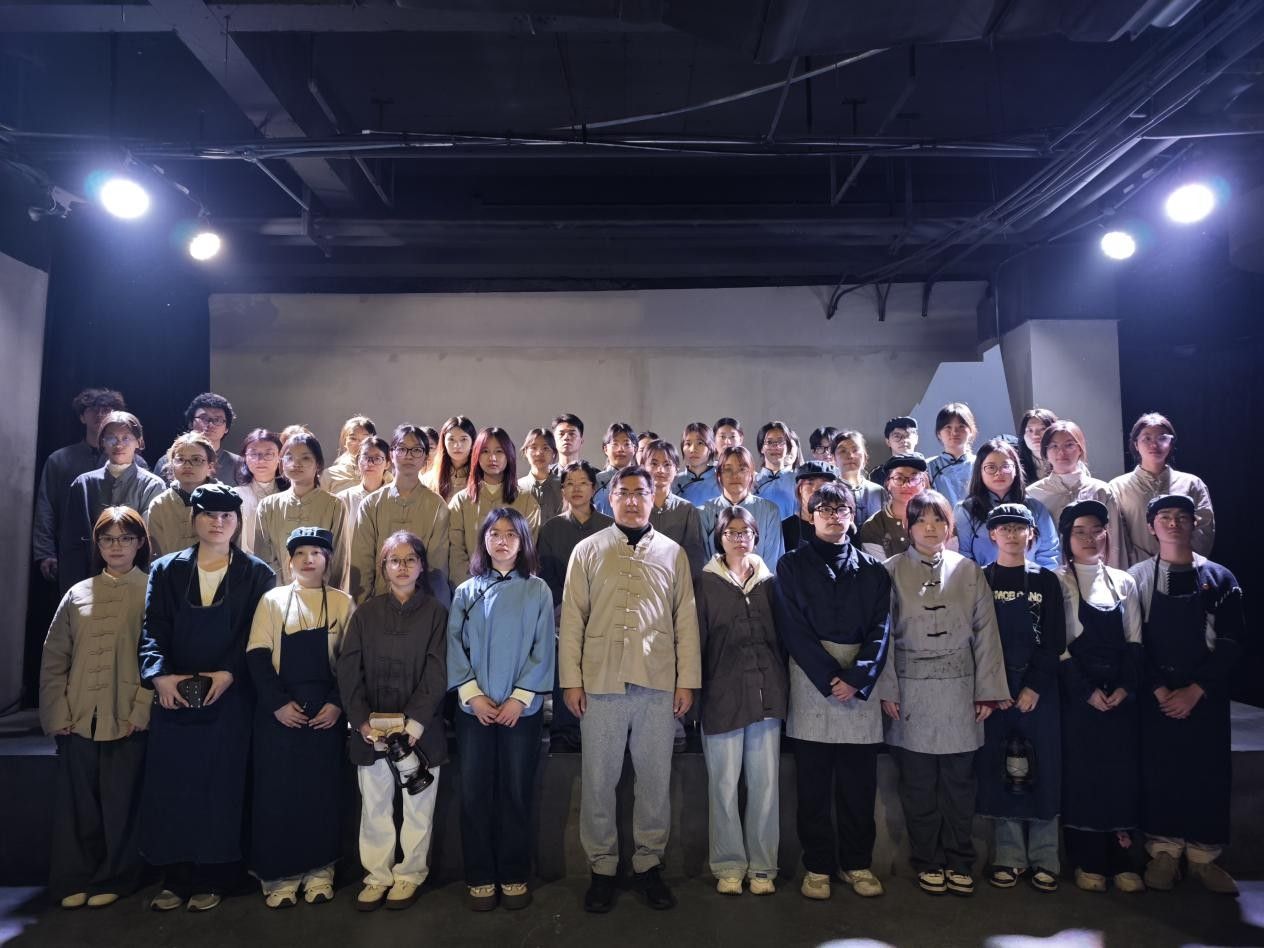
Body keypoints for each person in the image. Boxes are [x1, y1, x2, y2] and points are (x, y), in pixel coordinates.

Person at [559, 466, 701, 913]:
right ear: (611, 497)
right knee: (599, 780)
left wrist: (686, 680)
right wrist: (571, 681)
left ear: (654, 497)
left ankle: (648, 865)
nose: (634, 500)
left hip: (657, 684)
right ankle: (602, 868)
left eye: (642, 492)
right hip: (600, 684)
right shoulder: (587, 550)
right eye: (625, 492)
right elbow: (572, 619)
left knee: (654, 780)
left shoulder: (673, 553)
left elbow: (685, 620)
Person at [137, 484, 276, 911]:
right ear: (193, 519)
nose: (218, 523)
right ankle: (176, 877)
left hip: (231, 696)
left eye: (227, 516)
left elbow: (256, 634)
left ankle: (217, 876)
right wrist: (160, 677)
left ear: (238, 521)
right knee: (173, 785)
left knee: (223, 786)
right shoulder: (166, 570)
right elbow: (152, 629)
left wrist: (229, 672)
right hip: (174, 694)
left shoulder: (257, 573)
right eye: (209, 515)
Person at [881, 489, 1009, 896]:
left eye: (939, 520)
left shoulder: (969, 571)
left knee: (959, 782)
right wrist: (887, 689)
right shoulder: (889, 571)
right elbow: (881, 638)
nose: (930, 528)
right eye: (921, 520)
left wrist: (987, 691)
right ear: (908, 527)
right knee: (917, 783)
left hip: (960, 688)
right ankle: (927, 860)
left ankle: (960, 859)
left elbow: (986, 634)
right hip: (910, 689)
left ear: (951, 525)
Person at [774, 483, 892, 901]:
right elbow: (792, 628)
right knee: (813, 786)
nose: (832, 515)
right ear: (809, 516)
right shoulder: (790, 565)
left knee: (859, 784)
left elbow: (882, 629)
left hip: (860, 684)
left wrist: (858, 676)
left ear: (852, 515)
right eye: (823, 508)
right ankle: (818, 866)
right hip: (812, 680)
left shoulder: (874, 570)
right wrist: (828, 677)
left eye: (841, 508)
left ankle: (857, 863)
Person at [1130, 494, 1243, 895]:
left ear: (1195, 524)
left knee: (1207, 773)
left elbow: (1231, 642)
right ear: (1151, 526)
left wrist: (1197, 689)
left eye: (1182, 516)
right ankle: (1164, 852)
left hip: (1205, 696)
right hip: (1156, 696)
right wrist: (1160, 689)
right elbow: (1134, 642)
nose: (1174, 523)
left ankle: (1203, 857)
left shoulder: (1221, 578)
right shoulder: (1137, 579)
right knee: (1160, 771)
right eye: (1165, 517)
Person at [40, 506, 152, 909]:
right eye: (107, 539)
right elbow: (55, 658)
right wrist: (57, 713)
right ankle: (74, 877)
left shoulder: (152, 590)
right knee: (77, 804)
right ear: (98, 545)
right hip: (77, 714)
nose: (116, 546)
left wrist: (141, 710)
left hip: (126, 714)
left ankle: (116, 877)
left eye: (125, 538)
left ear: (139, 543)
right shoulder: (77, 594)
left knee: (121, 803)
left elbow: (158, 658)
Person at [447, 508, 555, 911]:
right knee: (474, 792)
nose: (503, 541)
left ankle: (513, 873)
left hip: (519, 712)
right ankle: (479, 875)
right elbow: (454, 646)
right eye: (495, 533)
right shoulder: (466, 591)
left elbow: (544, 647)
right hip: (474, 709)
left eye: (511, 534)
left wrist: (519, 698)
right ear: (484, 540)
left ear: (523, 541)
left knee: (516, 791)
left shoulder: (538, 590)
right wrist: (473, 695)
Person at [337, 531, 449, 912]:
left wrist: (413, 725)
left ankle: (410, 874)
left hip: (420, 732)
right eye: (394, 560)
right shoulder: (365, 614)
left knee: (418, 808)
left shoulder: (436, 614)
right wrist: (362, 723)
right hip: (371, 732)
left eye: (410, 559)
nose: (402, 567)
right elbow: (349, 671)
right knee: (375, 808)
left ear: (421, 566)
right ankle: (377, 875)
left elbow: (437, 671)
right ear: (383, 567)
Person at [246, 527, 354, 908]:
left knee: (322, 794)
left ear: (328, 560)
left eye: (317, 553)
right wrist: (278, 704)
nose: (309, 560)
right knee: (277, 794)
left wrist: (337, 704)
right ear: (289, 561)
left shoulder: (342, 602)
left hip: (325, 713)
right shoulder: (271, 601)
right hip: (279, 714)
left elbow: (350, 662)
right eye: (301, 553)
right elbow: (257, 655)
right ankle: (280, 876)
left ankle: (320, 872)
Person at [974, 504, 1066, 894]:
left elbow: (1055, 639)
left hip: (1038, 689)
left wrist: (1033, 687)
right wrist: (993, 689)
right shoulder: (981, 578)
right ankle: (1008, 857)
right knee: (1003, 768)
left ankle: (1046, 858)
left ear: (1031, 534)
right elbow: (977, 639)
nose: (1012, 535)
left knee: (1043, 768)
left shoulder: (1047, 581)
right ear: (992, 535)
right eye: (1004, 528)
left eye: (1019, 528)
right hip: (995, 691)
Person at [1056, 499, 1145, 894]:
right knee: (1083, 777)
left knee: (1121, 774)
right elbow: (1059, 648)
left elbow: (1135, 641)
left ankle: (1122, 858)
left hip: (1120, 696)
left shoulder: (1124, 582)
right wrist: (1086, 691)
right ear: (1066, 537)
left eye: (1097, 530)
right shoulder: (1057, 581)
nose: (1089, 538)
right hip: (1078, 697)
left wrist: (1125, 687)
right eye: (1080, 531)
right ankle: (1087, 858)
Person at [695, 506, 785, 896]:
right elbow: (695, 642)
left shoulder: (771, 582)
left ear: (756, 536)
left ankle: (763, 867)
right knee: (723, 785)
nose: (739, 538)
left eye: (745, 531)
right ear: (719, 537)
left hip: (766, 696)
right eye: (731, 532)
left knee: (765, 785)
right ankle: (729, 865)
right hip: (721, 695)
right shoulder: (704, 583)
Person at [537, 461, 613, 752]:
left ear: (594, 488)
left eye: (583, 483)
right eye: (569, 483)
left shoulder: (610, 528)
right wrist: (567, 613)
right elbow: (547, 578)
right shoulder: (551, 529)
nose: (576, 489)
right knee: (566, 671)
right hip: (564, 618)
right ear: (563, 490)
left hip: (604, 619)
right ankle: (564, 733)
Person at [34, 388, 144, 583]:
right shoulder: (59, 460)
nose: (100, 414)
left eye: (106, 409)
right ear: (82, 416)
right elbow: (46, 507)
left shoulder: (135, 463)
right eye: (93, 409)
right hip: (73, 552)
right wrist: (45, 551)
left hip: (123, 555)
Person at [59, 412, 165, 593]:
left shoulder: (152, 485)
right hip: (90, 580)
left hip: (137, 582)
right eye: (111, 438)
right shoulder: (83, 484)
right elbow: (71, 544)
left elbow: (151, 542)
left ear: (139, 442)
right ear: (102, 442)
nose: (119, 444)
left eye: (126, 438)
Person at [352, 426, 450, 601]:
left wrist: (433, 609)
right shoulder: (371, 504)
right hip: (379, 602)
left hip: (422, 604)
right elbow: (362, 563)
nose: (409, 456)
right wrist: (362, 606)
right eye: (402, 449)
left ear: (426, 457)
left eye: (416, 450)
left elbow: (437, 567)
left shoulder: (437, 506)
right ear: (391, 454)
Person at [1109, 412, 1214, 567]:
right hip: (1136, 571)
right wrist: (1143, 568)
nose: (1154, 445)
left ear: (1171, 443)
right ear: (1136, 444)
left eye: (1162, 438)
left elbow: (1204, 529)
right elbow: (1117, 537)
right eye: (1147, 438)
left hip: (1185, 569)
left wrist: (1182, 561)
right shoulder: (1117, 487)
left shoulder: (1192, 483)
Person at [253, 433, 349, 589]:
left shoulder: (334, 505)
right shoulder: (267, 506)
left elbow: (339, 559)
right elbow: (263, 558)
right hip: (279, 595)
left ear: (318, 464)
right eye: (289, 457)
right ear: (281, 463)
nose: (296, 464)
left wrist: (329, 596)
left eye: (305, 458)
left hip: (323, 594)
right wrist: (280, 593)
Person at [448, 427, 541, 586]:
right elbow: (456, 553)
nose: (492, 457)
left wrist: (506, 587)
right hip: (471, 589)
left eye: (499, 451)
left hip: (514, 588)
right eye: (485, 451)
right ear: (476, 455)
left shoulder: (527, 501)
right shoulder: (460, 501)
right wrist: (474, 588)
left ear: (509, 456)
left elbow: (527, 551)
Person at [1027, 421, 1124, 569]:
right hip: (1051, 575)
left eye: (1069, 445)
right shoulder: (1033, 494)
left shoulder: (1101, 490)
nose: (1061, 452)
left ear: (1080, 449)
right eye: (1054, 446)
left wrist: (1113, 577)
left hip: (1095, 572)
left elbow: (1115, 542)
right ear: (1045, 452)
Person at [954, 438, 1060, 570]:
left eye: (1006, 466)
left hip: (1032, 579)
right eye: (991, 467)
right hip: (984, 580)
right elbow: (963, 556)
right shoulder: (965, 510)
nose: (999, 473)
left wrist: (1038, 578)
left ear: (1016, 470)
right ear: (979, 471)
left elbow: (1050, 552)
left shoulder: (1035, 507)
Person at [700, 447, 785, 571]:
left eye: (742, 469)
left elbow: (773, 562)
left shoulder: (769, 511)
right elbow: (703, 561)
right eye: (728, 469)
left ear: (751, 475)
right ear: (719, 475)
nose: (735, 475)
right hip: (714, 581)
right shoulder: (704, 512)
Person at [638, 439, 707, 578]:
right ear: (643, 467)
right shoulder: (634, 506)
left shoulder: (687, 510)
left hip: (676, 582)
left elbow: (694, 558)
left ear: (676, 469)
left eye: (667, 464)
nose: (660, 470)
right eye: (654, 464)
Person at [145, 432, 219, 558]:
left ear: (210, 466)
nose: (187, 465)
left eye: (196, 459)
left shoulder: (227, 501)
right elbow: (157, 555)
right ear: (171, 464)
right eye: (180, 459)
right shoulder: (159, 505)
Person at [154, 393, 241, 485]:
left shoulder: (239, 464)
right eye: (204, 418)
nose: (210, 424)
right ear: (191, 423)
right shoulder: (167, 461)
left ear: (226, 428)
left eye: (217, 420)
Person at [857, 454, 929, 561]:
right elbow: (882, 569)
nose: (907, 485)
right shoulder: (873, 527)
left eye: (914, 478)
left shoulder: (939, 517)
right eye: (899, 478)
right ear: (888, 484)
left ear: (923, 483)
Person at [234, 429, 288, 556]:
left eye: (268, 454)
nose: (261, 460)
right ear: (245, 458)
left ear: (280, 457)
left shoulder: (289, 495)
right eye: (253, 454)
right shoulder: (236, 495)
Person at [926, 402, 978, 507]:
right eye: (948, 427)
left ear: (971, 431)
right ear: (939, 433)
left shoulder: (981, 463)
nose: (954, 432)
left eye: (961, 426)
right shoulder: (928, 467)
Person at [781, 459, 838, 552]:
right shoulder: (785, 528)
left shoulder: (840, 524)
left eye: (824, 483)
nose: (816, 489)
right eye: (810, 483)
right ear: (800, 489)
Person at [338, 435, 393, 532]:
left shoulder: (395, 498)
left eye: (377, 458)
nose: (370, 463)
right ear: (358, 461)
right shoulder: (343, 499)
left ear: (387, 464)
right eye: (365, 457)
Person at [831, 430, 885, 525]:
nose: (850, 456)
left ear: (865, 456)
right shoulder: (828, 492)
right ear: (833, 458)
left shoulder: (878, 491)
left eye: (855, 450)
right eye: (843, 451)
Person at [424, 416, 477, 503]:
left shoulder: (481, 477)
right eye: (451, 439)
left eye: (463, 439)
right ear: (444, 442)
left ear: (473, 442)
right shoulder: (429, 479)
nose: (457, 445)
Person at [752, 421, 797, 519]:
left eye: (780, 442)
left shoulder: (797, 480)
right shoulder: (753, 482)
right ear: (761, 448)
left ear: (788, 447)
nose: (776, 447)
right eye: (769, 442)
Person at [324, 415, 379, 495]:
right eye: (353, 438)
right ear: (345, 441)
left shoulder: (384, 475)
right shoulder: (329, 475)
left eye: (365, 439)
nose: (359, 444)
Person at [518, 427, 563, 524]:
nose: (539, 453)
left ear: (554, 453)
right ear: (525, 452)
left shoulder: (564, 487)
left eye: (545, 448)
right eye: (533, 448)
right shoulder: (517, 487)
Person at [673, 422, 722, 506]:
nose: (692, 449)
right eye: (688, 444)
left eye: (700, 443)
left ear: (711, 447)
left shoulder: (721, 481)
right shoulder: (674, 481)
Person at [591, 422, 637, 512]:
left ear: (634, 449)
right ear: (605, 449)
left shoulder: (642, 480)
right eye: (615, 444)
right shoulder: (596, 481)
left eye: (626, 444)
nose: (620, 449)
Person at [1018, 409, 1058, 485]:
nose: (1035, 435)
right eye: (1030, 430)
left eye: (1043, 429)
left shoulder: (1066, 459)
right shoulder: (1016, 465)